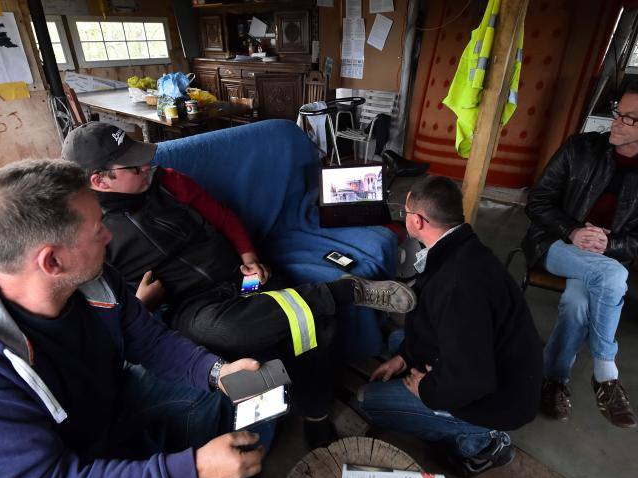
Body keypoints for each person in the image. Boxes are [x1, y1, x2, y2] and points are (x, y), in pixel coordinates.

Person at [0, 160, 266, 478]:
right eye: (97, 228)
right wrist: (187, 470)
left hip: (94, 414)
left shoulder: (88, 276)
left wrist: (217, 372)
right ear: (51, 260)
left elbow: (147, 339)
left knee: (219, 392)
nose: (108, 236)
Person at [60, 122, 416, 448]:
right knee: (232, 330)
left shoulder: (168, 181)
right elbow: (110, 319)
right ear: (99, 180)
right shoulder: (90, 233)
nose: (145, 168)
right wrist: (143, 305)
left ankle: (316, 412)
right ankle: (342, 293)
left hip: (241, 279)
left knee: (316, 324)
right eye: (133, 167)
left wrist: (247, 256)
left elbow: (224, 217)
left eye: (141, 158)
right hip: (194, 306)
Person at [522, 75, 638, 428]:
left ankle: (554, 379)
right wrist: (573, 230)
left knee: (578, 302)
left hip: (606, 257)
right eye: (617, 111)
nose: (617, 121)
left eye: (630, 117)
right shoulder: (580, 148)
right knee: (612, 274)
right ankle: (606, 372)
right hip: (555, 244)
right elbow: (537, 201)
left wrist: (610, 244)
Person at [359, 176, 543, 478]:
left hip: (499, 398)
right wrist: (405, 357)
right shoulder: (459, 247)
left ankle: (481, 442)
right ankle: (431, 390)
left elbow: (473, 378)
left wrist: (426, 390)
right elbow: (439, 327)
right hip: (489, 363)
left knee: (368, 400)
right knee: (397, 341)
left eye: (405, 213)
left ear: (417, 221)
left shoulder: (459, 284)